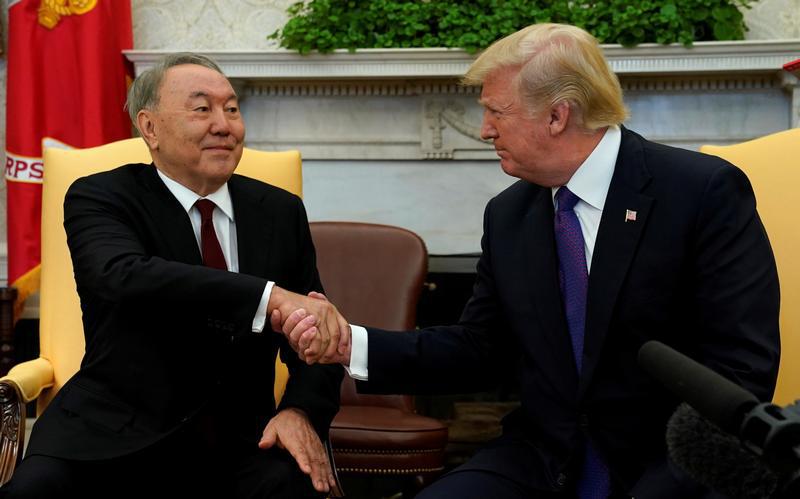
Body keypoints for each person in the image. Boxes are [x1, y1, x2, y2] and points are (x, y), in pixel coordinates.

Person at [277, 23, 781, 498]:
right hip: (541, 458)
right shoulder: (510, 214)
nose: (484, 130)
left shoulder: (700, 192)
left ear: (557, 116)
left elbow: (740, 370)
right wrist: (348, 344)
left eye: (496, 112)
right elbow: (480, 347)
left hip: (667, 464)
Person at [1, 53, 346, 498]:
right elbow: (122, 275)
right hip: (109, 434)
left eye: (232, 109)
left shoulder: (279, 211)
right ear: (150, 127)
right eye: (202, 109)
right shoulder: (101, 196)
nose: (223, 125)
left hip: (241, 443)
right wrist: (269, 297)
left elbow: (316, 342)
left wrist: (300, 411)